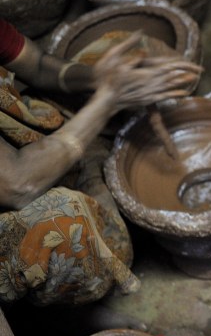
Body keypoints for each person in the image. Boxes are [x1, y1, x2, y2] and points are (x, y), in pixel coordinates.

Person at [0, 17, 200, 306]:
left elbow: (40, 65)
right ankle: (62, 321)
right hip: (14, 193)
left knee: (130, 54)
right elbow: (19, 183)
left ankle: (91, 156)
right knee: (71, 227)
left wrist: (101, 78)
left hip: (16, 148)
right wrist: (108, 101)